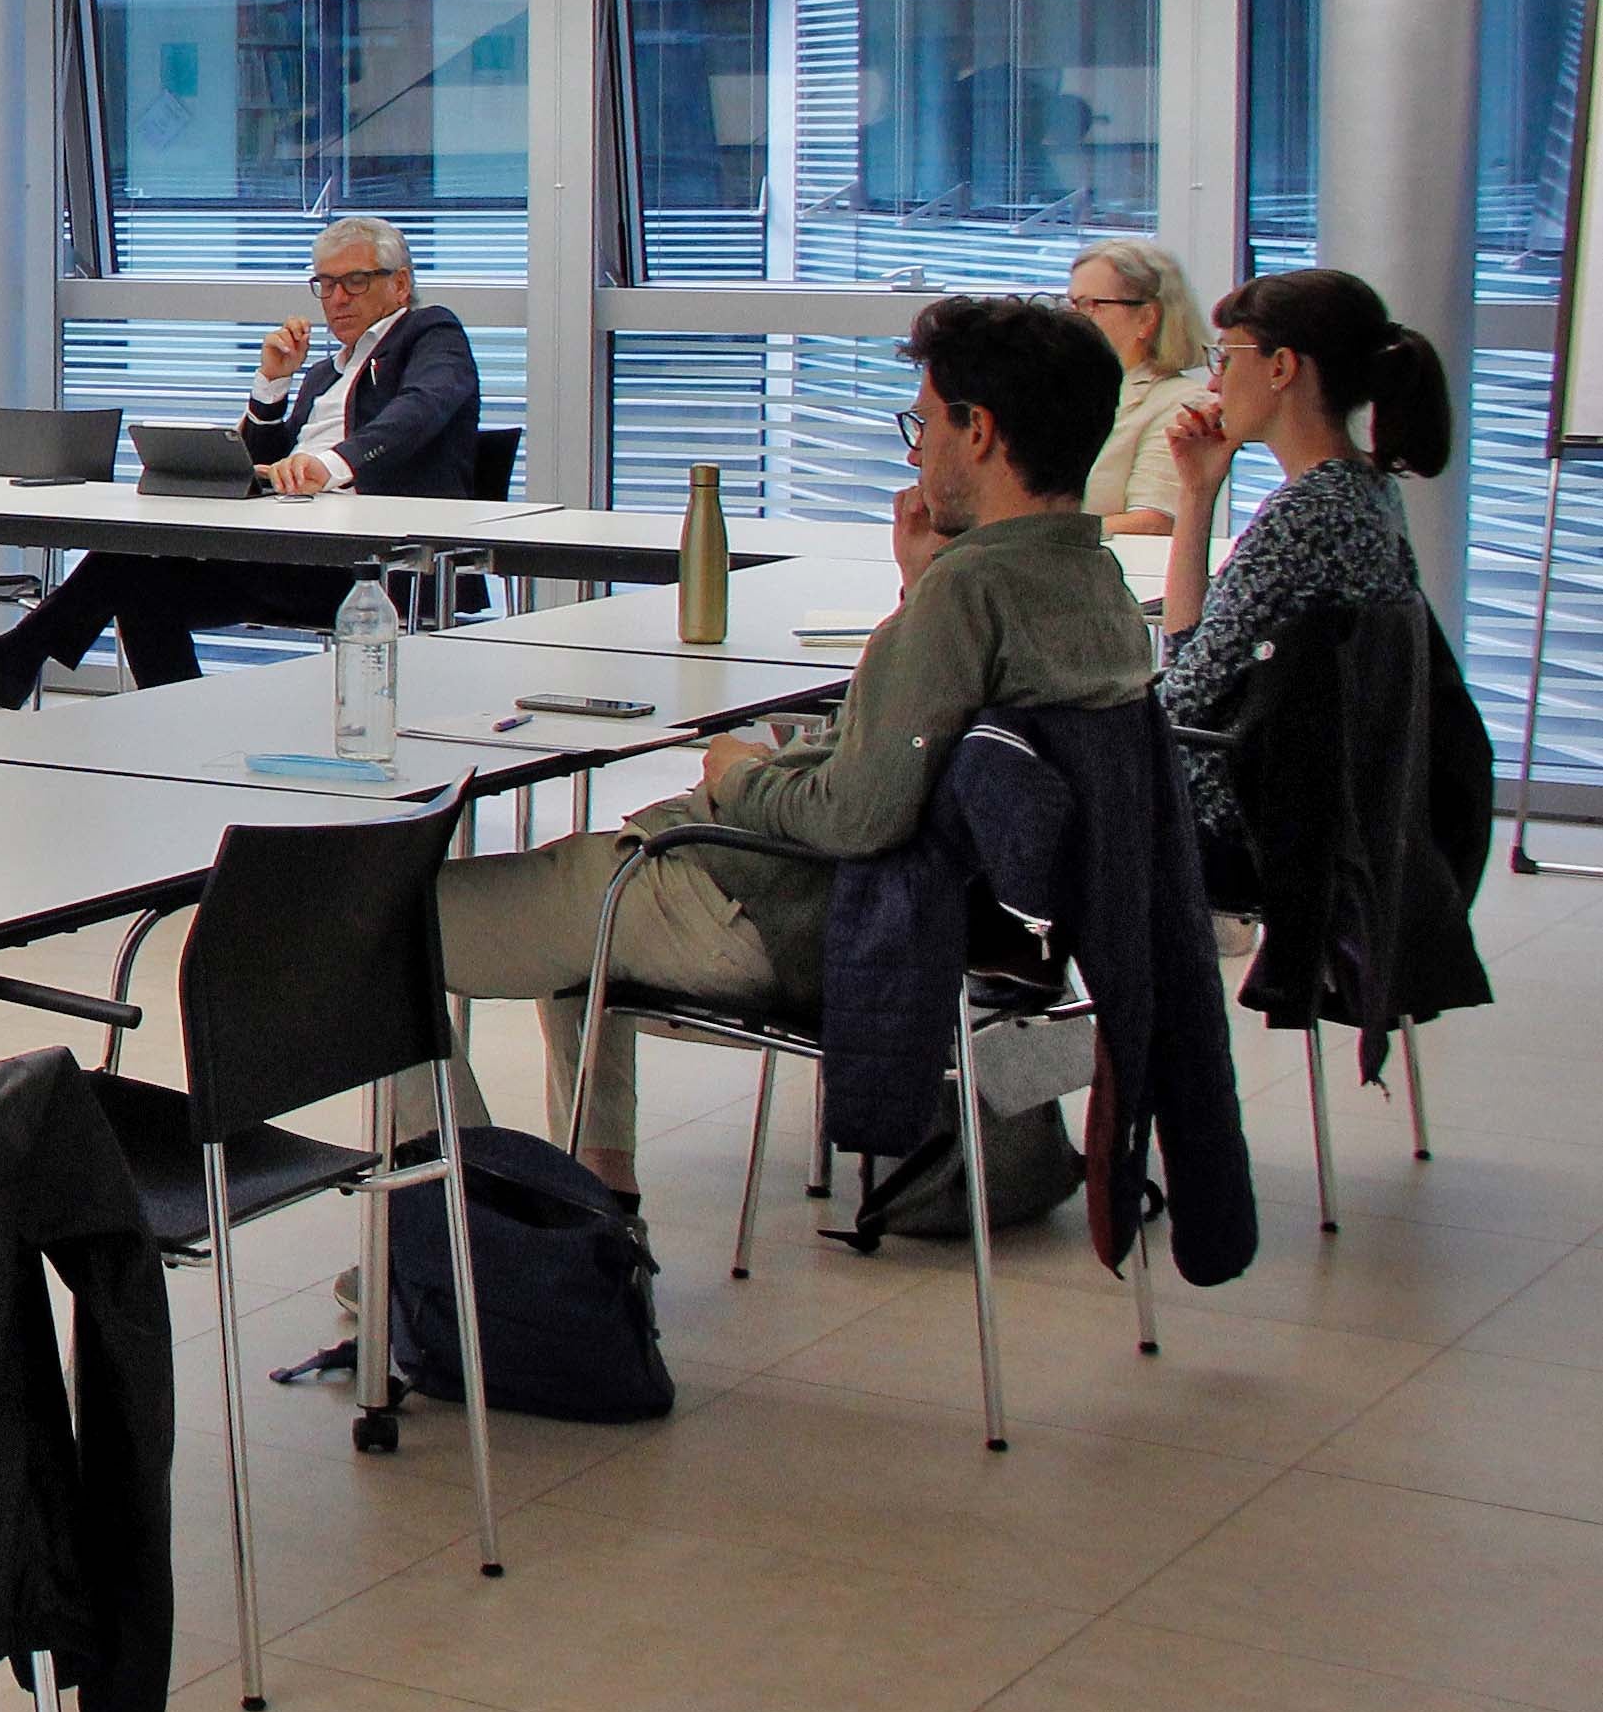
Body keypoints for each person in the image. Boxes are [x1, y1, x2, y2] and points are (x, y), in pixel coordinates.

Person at [428, 296, 1159, 1192]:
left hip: (772, 908)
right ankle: (598, 1198)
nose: (914, 447)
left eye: (922, 421)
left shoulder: (968, 599)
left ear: (978, 431)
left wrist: (740, 780)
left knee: (379, 931)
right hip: (939, 923)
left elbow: (856, 814)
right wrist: (916, 585)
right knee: (574, 931)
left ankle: (457, 1231)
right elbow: (924, 745)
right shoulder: (1091, 582)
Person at [0, 213, 483, 708]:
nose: (336, 300)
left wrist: (333, 465)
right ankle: (170, 723)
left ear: (400, 284)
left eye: (354, 283)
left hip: (378, 567)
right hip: (291, 550)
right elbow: (258, 464)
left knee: (131, 567)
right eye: (325, 285)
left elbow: (419, 411)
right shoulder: (323, 371)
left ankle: (17, 660)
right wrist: (270, 386)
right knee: (137, 574)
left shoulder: (431, 334)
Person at [1152, 265, 1453, 905]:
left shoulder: (1303, 519)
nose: (1214, 380)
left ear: (1281, 367)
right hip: (1316, 814)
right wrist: (1197, 492)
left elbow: (1182, 697)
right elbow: (1193, 652)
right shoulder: (1367, 492)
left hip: (1238, 823)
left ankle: (1018, 975)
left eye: (1225, 358)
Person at [1067, 239, 1214, 538]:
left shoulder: (1182, 403)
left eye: (1090, 305)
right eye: (1070, 304)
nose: (1073, 319)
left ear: (1146, 318)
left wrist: (1045, 537)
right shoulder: (1065, 392)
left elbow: (1154, 522)